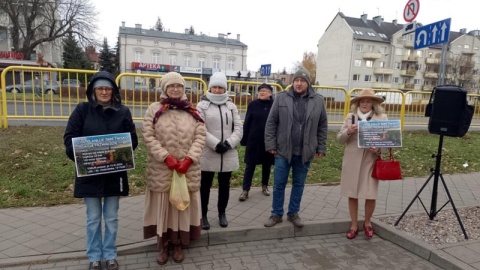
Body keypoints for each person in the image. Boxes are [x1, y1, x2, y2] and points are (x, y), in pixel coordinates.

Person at [63, 71, 138, 270]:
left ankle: (110, 254)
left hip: (114, 173)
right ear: (93, 91)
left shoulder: (123, 111)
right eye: (100, 88)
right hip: (90, 174)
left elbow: (133, 140)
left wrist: (119, 151)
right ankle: (94, 256)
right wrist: (80, 157)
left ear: (113, 91)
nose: (104, 92)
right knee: (93, 218)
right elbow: (70, 137)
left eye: (107, 88)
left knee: (112, 217)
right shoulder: (82, 110)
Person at [142, 72, 206, 265]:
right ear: (164, 88)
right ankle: (163, 245)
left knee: (181, 207)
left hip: (187, 169)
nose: (176, 89)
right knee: (164, 207)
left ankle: (178, 243)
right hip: (162, 169)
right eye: (171, 86)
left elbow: (201, 136)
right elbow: (148, 135)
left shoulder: (192, 110)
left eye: (179, 86)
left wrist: (190, 158)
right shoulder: (155, 109)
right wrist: (165, 157)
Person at [264, 67, 328, 228]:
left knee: (299, 184)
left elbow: (322, 126)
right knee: (279, 184)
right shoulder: (281, 98)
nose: (299, 83)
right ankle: (276, 214)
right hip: (282, 150)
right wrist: (271, 144)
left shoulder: (318, 100)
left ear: (308, 83)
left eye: (302, 80)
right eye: (296, 80)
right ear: (293, 82)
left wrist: (321, 147)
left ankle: (293, 213)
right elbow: (271, 122)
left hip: (305, 151)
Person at [337, 89, 387, 239]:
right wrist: (348, 132)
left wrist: (378, 148)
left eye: (368, 101)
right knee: (352, 193)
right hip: (352, 161)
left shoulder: (381, 118)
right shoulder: (351, 117)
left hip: (370, 161)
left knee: (370, 194)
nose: (365, 104)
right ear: (358, 103)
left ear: (373, 103)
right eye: (362, 101)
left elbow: (388, 141)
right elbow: (339, 139)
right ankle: (354, 225)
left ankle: (367, 223)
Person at [197, 72, 243, 230]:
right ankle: (202, 215)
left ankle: (222, 213)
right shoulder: (202, 105)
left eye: (220, 87)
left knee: (225, 185)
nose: (217, 90)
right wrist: (216, 144)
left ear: (225, 88)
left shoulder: (231, 106)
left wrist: (229, 143)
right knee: (205, 185)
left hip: (228, 152)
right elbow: (200, 129)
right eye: (214, 87)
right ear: (210, 88)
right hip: (209, 152)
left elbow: (238, 128)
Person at [239, 83, 275, 201]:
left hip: (268, 141)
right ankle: (245, 190)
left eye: (265, 90)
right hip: (254, 140)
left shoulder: (274, 105)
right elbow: (247, 122)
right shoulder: (253, 105)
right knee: (250, 166)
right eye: (260, 91)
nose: (262, 92)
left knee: (267, 165)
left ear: (270, 93)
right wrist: (244, 140)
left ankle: (264, 186)